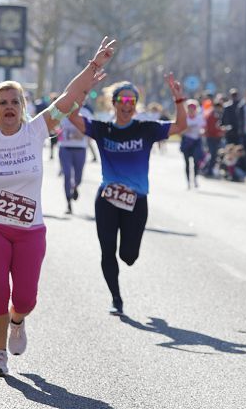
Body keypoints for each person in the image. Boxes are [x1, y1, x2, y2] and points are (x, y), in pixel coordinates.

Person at [0, 26, 114, 376]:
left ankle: (17, 321)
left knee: (25, 299)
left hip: (30, 230)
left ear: (22, 108)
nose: (8, 107)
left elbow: (69, 96)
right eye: (2, 102)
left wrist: (93, 64)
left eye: (14, 102)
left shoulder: (37, 130)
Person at [72, 77, 186, 315]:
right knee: (107, 251)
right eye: (122, 100)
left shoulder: (146, 129)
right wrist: (84, 89)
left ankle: (123, 274)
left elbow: (180, 126)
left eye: (131, 100)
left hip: (137, 201)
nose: (127, 105)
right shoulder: (103, 129)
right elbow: (72, 116)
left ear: (135, 104)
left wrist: (178, 98)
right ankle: (116, 298)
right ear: (113, 103)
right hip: (107, 200)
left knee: (129, 256)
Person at [57, 101, 90, 214]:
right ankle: (68, 203)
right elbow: (55, 127)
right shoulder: (62, 112)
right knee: (67, 174)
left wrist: (83, 134)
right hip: (65, 148)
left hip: (80, 148)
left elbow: (91, 131)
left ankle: (75, 187)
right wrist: (59, 134)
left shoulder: (86, 112)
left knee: (78, 177)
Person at [180, 99, 206, 189]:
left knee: (196, 161)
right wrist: (186, 130)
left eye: (193, 109)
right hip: (187, 142)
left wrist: (202, 132)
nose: (191, 110)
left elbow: (203, 128)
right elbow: (179, 131)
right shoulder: (184, 118)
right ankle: (188, 182)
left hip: (196, 142)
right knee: (187, 163)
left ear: (195, 109)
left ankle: (195, 179)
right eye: (189, 109)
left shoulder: (199, 118)